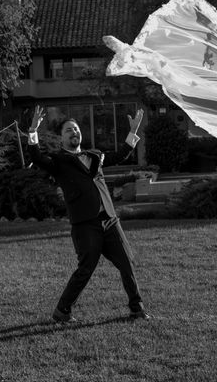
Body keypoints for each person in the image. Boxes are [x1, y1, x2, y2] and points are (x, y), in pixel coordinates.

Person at [27, 105, 150, 323]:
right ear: (61, 139)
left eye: (75, 129)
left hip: (110, 220)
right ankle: (62, 311)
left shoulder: (95, 155)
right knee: (85, 269)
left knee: (127, 263)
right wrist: (33, 130)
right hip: (85, 225)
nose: (73, 132)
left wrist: (133, 132)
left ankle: (137, 309)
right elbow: (36, 157)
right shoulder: (58, 161)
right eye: (68, 130)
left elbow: (120, 155)